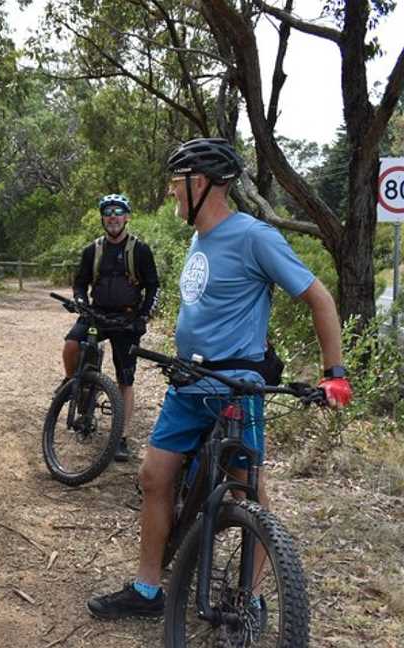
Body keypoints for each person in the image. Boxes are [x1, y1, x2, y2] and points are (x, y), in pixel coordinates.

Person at [86, 137, 353, 621]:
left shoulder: (254, 236)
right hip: (188, 384)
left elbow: (320, 299)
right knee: (153, 477)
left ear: (201, 183)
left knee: (249, 490)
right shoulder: (198, 237)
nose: (171, 191)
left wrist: (334, 374)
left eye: (175, 181)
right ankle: (148, 590)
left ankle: (250, 598)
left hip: (234, 389)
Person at [63, 193, 159, 461]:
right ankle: (75, 385)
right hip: (95, 313)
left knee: (125, 379)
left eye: (118, 211)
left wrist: (143, 317)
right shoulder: (92, 250)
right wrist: (80, 301)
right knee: (72, 344)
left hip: (126, 319)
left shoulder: (139, 250)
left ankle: (122, 436)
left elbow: (153, 286)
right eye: (108, 212)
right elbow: (80, 283)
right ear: (103, 218)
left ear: (127, 217)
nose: (113, 216)